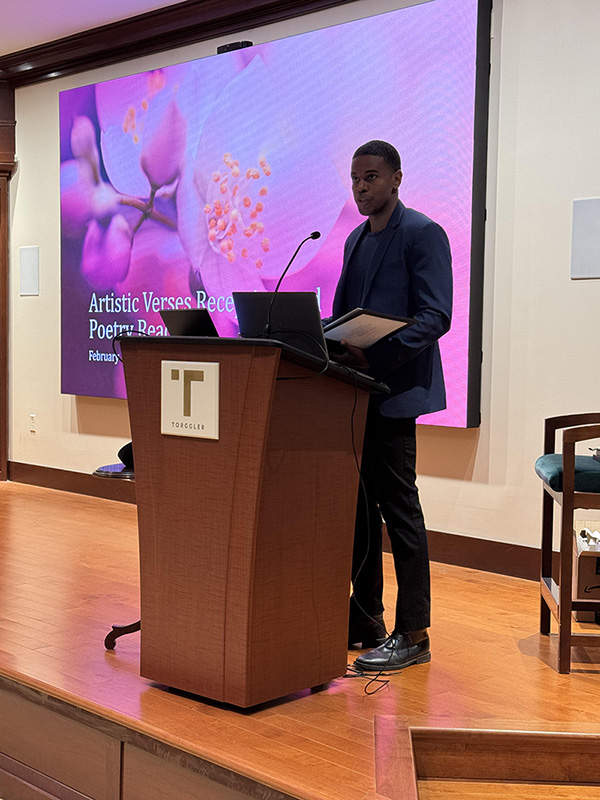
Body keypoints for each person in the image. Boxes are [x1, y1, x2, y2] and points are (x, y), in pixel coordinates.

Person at [333, 140, 452, 671]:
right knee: (358, 515)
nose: (361, 187)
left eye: (372, 177)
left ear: (396, 178)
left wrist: (376, 354)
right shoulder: (355, 240)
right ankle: (366, 618)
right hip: (354, 395)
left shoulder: (424, 234)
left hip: (395, 395)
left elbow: (435, 317)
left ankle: (414, 633)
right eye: (356, 178)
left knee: (400, 514)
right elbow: (344, 314)